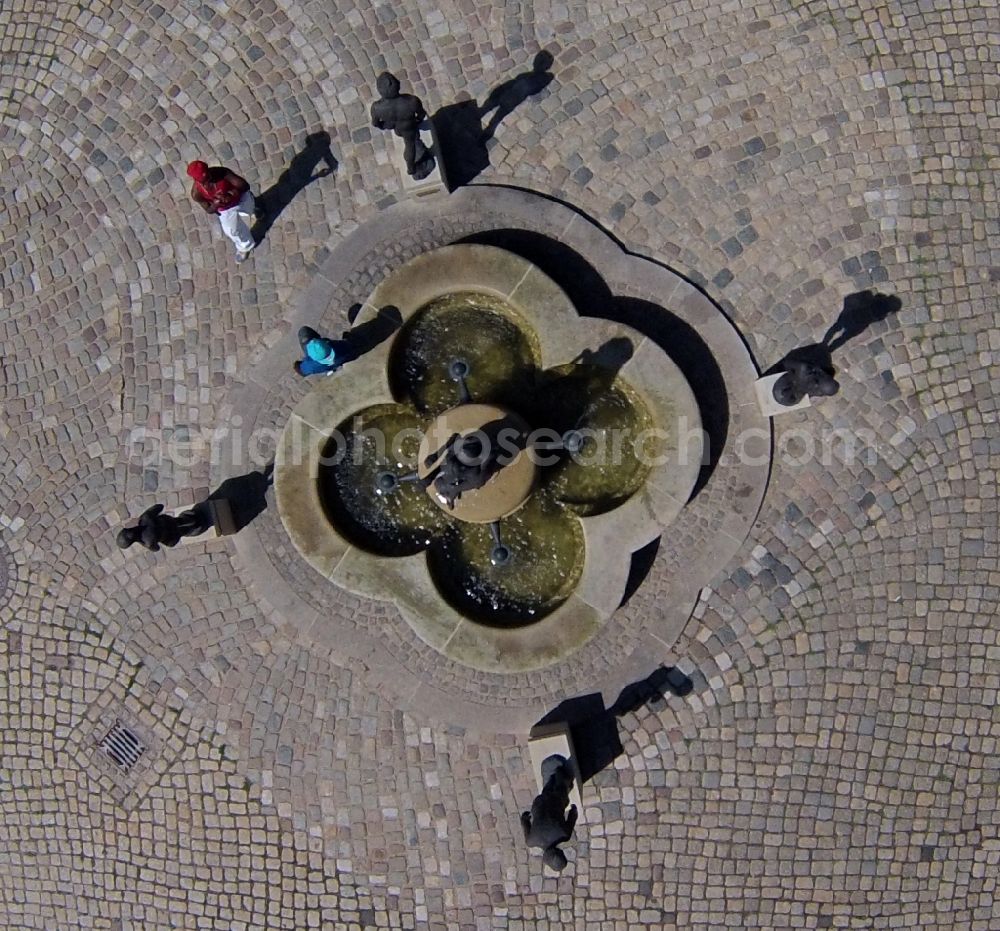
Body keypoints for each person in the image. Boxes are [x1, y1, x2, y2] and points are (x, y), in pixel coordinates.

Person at [186, 160, 263, 263]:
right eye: (204, 180)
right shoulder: (197, 193)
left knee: (248, 206)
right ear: (197, 181)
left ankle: (252, 210)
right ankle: (244, 247)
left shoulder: (222, 172)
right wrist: (215, 205)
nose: (209, 181)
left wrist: (231, 194)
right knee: (232, 231)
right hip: (225, 210)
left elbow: (244, 186)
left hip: (240, 198)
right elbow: (209, 209)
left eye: (208, 176)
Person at [370, 72, 435, 180]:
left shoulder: (377, 108)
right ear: (398, 86)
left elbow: (375, 123)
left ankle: (414, 158)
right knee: (410, 146)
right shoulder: (411, 101)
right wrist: (417, 121)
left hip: (397, 127)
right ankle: (411, 168)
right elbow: (421, 114)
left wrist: (386, 125)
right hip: (408, 127)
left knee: (411, 143)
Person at [520, 755, 578, 871]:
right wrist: (526, 817)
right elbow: (524, 821)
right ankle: (556, 779)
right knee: (548, 794)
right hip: (539, 802)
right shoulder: (531, 841)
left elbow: (573, 815)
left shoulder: (564, 835)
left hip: (557, 800)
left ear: (559, 851)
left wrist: (573, 809)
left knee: (562, 797)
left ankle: (561, 778)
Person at [116, 504, 211, 551]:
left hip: (171, 537)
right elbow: (159, 507)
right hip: (170, 522)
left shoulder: (147, 543)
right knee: (180, 521)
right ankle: (191, 520)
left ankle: (194, 527)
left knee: (181, 532)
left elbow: (156, 548)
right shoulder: (145, 518)